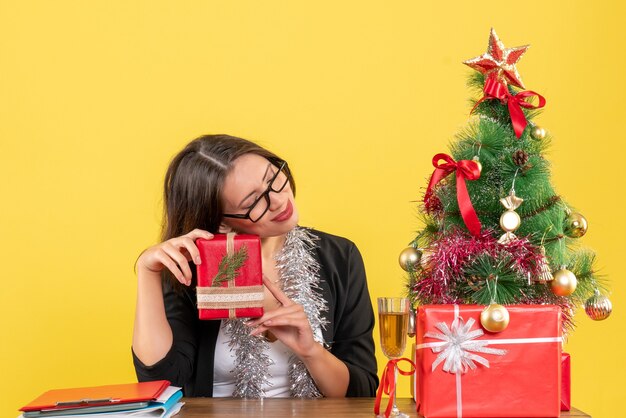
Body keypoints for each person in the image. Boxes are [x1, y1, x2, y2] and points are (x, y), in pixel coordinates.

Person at [132, 134, 378, 398]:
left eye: (273, 177)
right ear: (222, 222)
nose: (278, 200)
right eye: (253, 203)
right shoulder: (190, 267)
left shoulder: (339, 257)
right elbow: (162, 382)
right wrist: (148, 272)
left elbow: (362, 392)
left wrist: (311, 351)